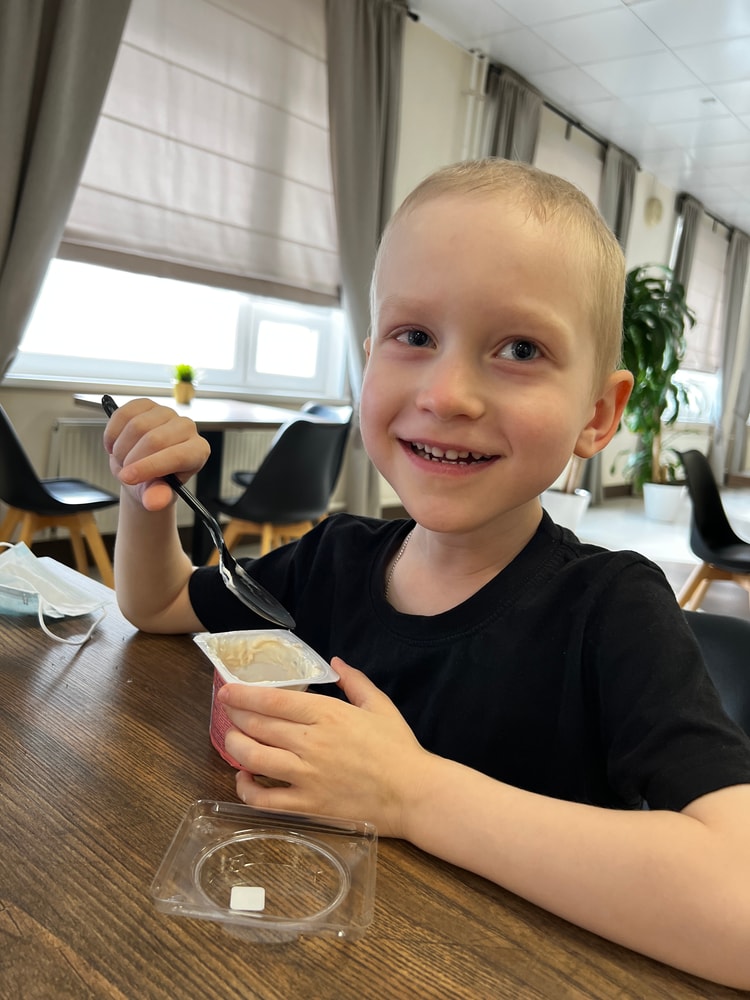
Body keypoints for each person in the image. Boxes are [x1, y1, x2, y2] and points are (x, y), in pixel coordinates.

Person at [103, 159, 750, 989]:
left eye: (520, 349)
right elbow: (158, 602)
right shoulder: (334, 556)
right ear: (367, 359)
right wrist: (145, 495)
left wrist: (410, 795)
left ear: (597, 414)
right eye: (413, 337)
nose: (447, 395)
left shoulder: (612, 607)